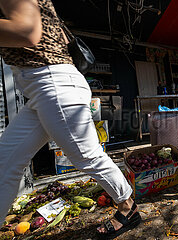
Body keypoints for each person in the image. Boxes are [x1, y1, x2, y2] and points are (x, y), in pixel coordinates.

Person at [0, 0, 140, 238]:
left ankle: (128, 207)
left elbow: (27, 31)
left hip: (52, 84)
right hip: (42, 87)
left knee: (86, 156)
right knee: (5, 162)